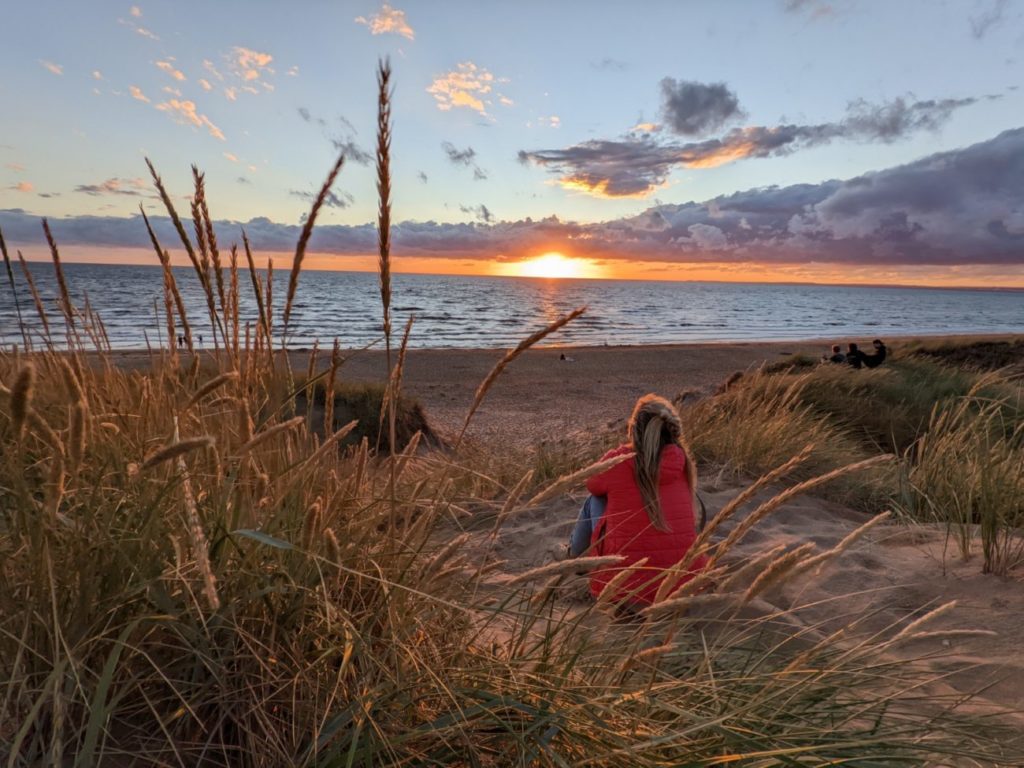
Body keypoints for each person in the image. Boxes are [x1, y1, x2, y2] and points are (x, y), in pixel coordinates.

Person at [568, 394, 706, 605]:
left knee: (594, 501)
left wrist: (619, 451)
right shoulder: (683, 462)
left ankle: (575, 558)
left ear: (634, 430)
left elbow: (592, 483)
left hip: (622, 592)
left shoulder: (622, 461)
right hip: (682, 589)